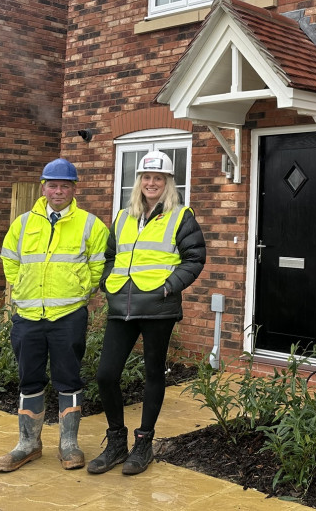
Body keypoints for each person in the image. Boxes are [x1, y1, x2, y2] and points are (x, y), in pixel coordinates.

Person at [87, 150, 206, 476]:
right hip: (121, 306)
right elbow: (111, 256)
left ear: (167, 183)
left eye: (158, 178)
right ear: (139, 182)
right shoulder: (124, 217)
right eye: (146, 178)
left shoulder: (181, 217)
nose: (151, 183)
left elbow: (194, 258)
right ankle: (116, 442)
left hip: (158, 308)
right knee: (106, 375)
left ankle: (144, 443)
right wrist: (108, 282)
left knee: (154, 374)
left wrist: (168, 287)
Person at [0, 157, 109, 472]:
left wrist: (82, 288)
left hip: (68, 316)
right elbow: (10, 258)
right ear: (43, 187)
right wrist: (20, 286)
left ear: (73, 189)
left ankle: (69, 444)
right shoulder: (23, 223)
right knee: (28, 379)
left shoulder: (90, 224)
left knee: (68, 380)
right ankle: (27, 444)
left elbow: (99, 264)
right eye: (53, 185)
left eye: (65, 185)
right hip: (28, 316)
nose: (58, 191)